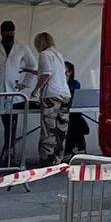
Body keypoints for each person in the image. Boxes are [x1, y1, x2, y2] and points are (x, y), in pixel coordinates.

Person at [0, 20, 37, 166]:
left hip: (13, 93)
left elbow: (33, 65)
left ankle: (8, 156)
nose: (10, 34)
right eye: (7, 32)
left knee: (10, 128)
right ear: (1, 33)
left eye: (11, 32)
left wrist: (25, 83)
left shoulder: (22, 47)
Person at [33, 33, 72, 164]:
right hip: (65, 94)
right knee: (61, 130)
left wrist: (36, 89)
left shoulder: (44, 54)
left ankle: (46, 160)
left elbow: (46, 74)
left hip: (51, 96)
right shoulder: (58, 54)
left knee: (48, 130)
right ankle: (58, 160)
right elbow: (55, 73)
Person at [64, 61, 90, 157]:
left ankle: (71, 148)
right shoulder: (57, 83)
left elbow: (74, 97)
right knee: (74, 120)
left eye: (65, 71)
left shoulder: (75, 83)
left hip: (72, 110)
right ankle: (79, 146)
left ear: (70, 72)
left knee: (74, 119)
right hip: (63, 110)